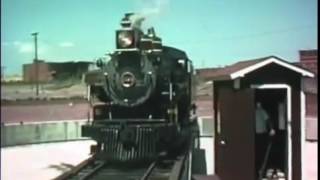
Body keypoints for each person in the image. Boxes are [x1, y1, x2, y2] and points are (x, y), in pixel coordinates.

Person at [255, 102, 275, 179]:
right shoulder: (261, 111)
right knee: (260, 154)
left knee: (261, 153)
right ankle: (260, 171)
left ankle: (261, 172)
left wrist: (271, 129)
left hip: (260, 135)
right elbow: (268, 120)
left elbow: (268, 120)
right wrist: (272, 129)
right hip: (258, 135)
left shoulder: (261, 111)